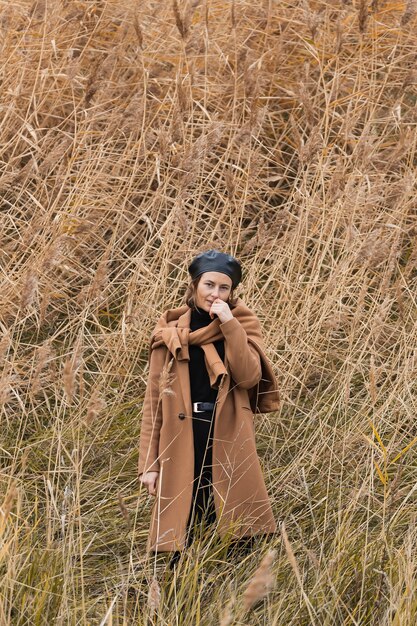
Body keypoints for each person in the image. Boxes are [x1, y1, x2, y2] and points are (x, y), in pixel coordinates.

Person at [138, 249, 280, 569]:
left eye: (224, 288)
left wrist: (230, 326)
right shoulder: (170, 331)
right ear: (194, 285)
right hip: (181, 438)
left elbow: (248, 377)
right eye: (209, 285)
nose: (215, 294)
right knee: (180, 531)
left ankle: (232, 595)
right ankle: (178, 598)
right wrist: (149, 463)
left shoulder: (243, 323)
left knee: (233, 531)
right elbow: (153, 402)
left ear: (232, 293)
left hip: (226, 435)